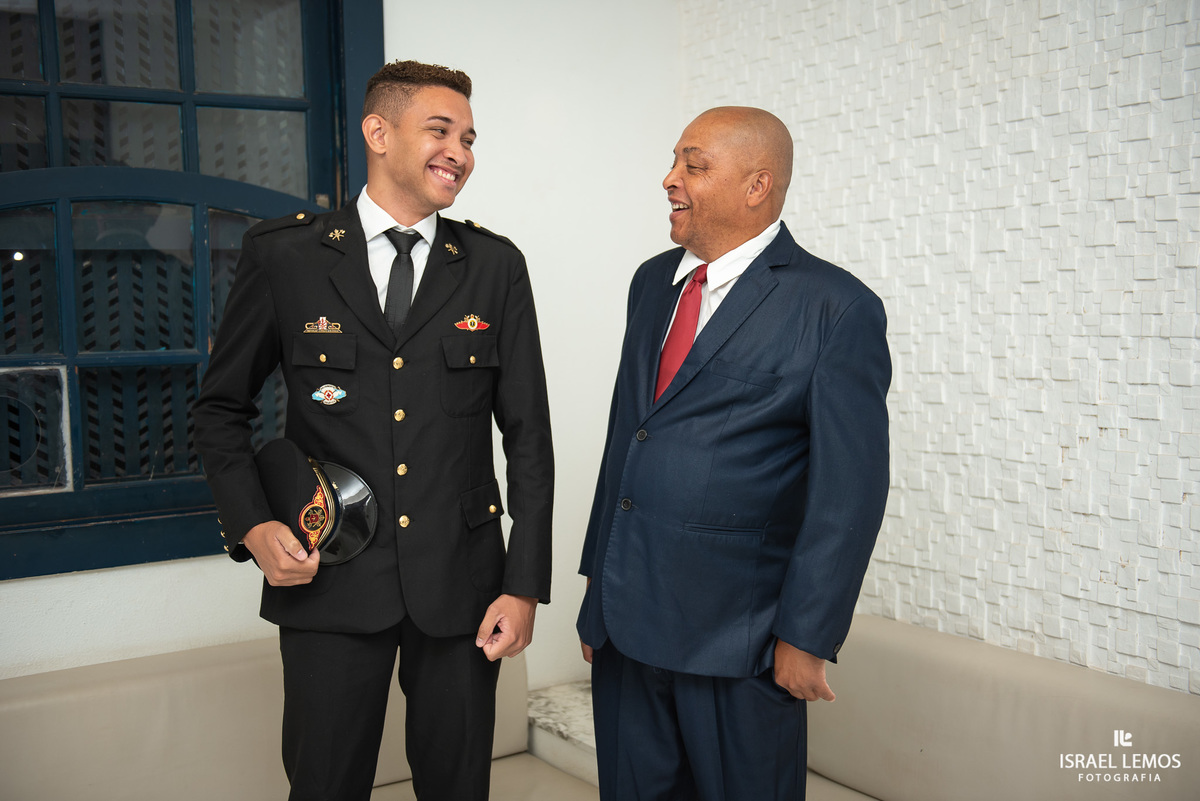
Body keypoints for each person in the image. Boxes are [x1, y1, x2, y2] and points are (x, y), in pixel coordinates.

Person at [193, 60, 553, 801]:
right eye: (441, 130)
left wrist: (524, 586)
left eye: (471, 137)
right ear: (378, 132)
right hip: (329, 578)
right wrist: (253, 526)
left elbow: (529, 437)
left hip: (462, 582)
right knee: (325, 784)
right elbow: (218, 407)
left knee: (457, 787)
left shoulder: (494, 266)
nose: (461, 150)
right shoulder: (285, 255)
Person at [576, 106, 890, 800]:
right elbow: (627, 437)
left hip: (737, 640)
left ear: (756, 186)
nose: (670, 179)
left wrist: (806, 636)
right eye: (674, 162)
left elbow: (850, 493)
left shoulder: (836, 308)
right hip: (626, 628)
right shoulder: (651, 281)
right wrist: (597, 590)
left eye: (694, 164)